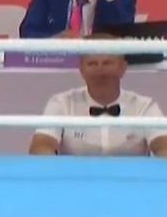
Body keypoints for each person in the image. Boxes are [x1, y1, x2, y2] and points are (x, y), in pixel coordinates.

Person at [29, 33, 167, 157]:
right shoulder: (61, 103)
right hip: (75, 177)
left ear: (123, 67)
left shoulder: (144, 106)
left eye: (107, 63)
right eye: (92, 63)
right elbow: (41, 147)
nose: (100, 70)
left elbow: (164, 146)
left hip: (132, 177)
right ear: (81, 69)